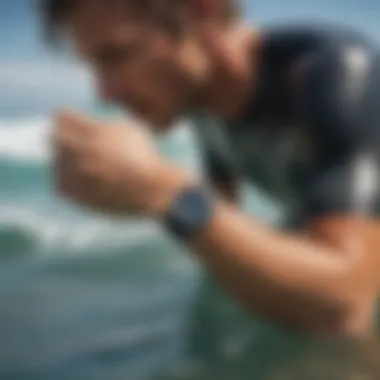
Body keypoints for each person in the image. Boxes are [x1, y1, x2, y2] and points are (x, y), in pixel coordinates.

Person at [38, 0, 380, 339]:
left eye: (117, 55)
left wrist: (165, 191)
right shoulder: (198, 97)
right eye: (93, 66)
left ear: (204, 13)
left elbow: (344, 307)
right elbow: (221, 214)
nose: (105, 94)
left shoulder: (331, 73)